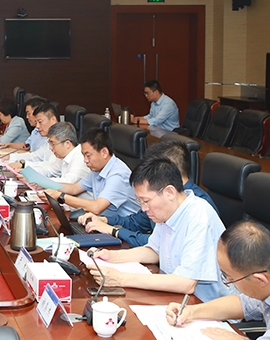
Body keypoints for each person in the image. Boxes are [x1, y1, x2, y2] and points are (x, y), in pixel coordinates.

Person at [87, 157, 231, 302]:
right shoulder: (167, 211)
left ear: (170, 192)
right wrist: (111, 257)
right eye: (140, 201)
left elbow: (186, 283)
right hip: (178, 299)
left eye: (146, 201)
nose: (143, 208)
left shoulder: (199, 216)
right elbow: (154, 251)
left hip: (207, 305)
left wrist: (121, 279)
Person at [79, 140, 217, 246]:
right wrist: (106, 220)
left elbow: (156, 244)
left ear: (167, 169)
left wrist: (113, 231)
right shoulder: (159, 196)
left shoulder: (197, 207)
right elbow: (137, 222)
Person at [43, 128, 140, 217]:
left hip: (124, 227)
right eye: (83, 156)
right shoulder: (98, 169)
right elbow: (74, 188)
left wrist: (60, 196)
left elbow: (97, 207)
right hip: (104, 222)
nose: (85, 160)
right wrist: (45, 184)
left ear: (104, 153)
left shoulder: (118, 175)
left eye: (88, 156)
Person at [3, 101, 58, 171]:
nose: (37, 126)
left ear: (53, 120)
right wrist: (11, 157)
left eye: (40, 122)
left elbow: (51, 167)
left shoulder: (61, 140)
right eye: (36, 122)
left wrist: (23, 164)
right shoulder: (48, 140)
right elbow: (34, 156)